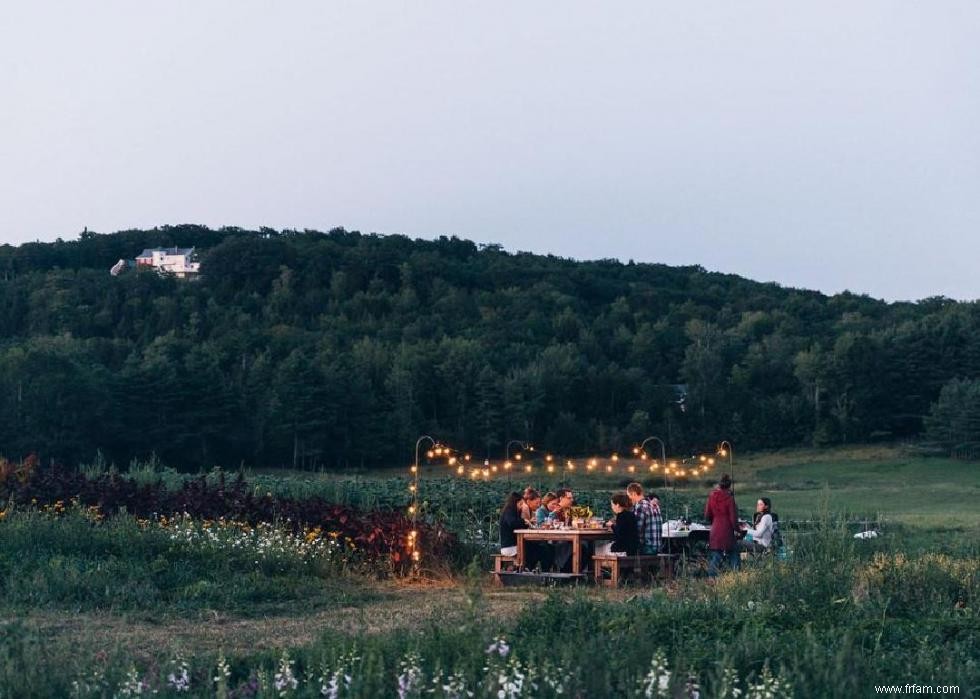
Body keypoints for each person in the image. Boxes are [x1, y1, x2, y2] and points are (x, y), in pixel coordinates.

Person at [499, 491, 549, 570]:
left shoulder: (512, 512)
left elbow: (517, 524)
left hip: (514, 544)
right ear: (514, 503)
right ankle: (527, 569)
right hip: (510, 546)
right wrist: (524, 521)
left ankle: (529, 568)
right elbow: (513, 523)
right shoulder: (509, 512)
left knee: (539, 548)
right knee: (538, 549)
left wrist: (525, 522)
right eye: (520, 504)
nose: (522, 506)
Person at [704, 474, 739, 576]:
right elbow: (733, 518)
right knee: (734, 552)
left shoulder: (711, 496)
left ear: (719, 485)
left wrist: (713, 521)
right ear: (729, 486)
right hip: (727, 529)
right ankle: (736, 575)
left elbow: (707, 514)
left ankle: (711, 578)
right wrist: (738, 529)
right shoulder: (729, 498)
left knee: (716, 554)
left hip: (715, 528)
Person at [627, 482, 662, 554]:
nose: (629, 499)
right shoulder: (654, 505)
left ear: (633, 493)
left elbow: (636, 529)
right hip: (657, 546)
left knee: (619, 550)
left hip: (647, 548)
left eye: (629, 496)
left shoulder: (640, 506)